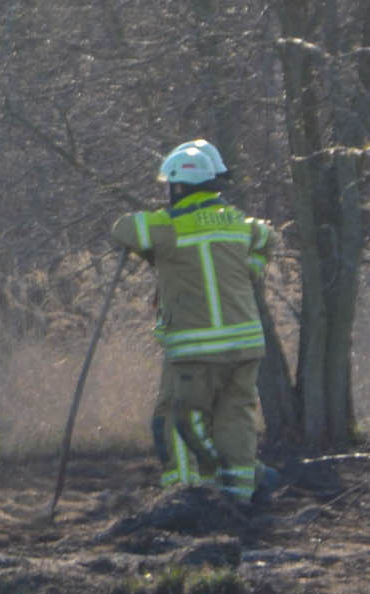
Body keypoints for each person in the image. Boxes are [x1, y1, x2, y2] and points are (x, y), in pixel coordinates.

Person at [109, 140, 274, 503]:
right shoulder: (238, 223)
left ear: (178, 187)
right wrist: (251, 270)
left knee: (182, 419)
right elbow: (266, 236)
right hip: (246, 345)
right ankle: (240, 493)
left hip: (198, 348)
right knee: (236, 418)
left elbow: (124, 228)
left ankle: (189, 492)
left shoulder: (168, 227)